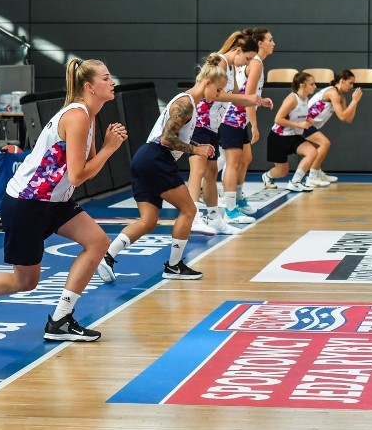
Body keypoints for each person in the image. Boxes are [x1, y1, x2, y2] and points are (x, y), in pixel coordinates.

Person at [0, 58, 127, 341]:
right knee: (24, 282)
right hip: (28, 202)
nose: (112, 82)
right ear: (90, 86)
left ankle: (61, 320)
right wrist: (110, 148)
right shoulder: (77, 116)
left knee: (97, 241)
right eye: (106, 78)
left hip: (55, 201)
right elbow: (78, 175)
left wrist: (105, 147)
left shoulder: (90, 114)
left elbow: (87, 166)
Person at [98, 54, 222, 284]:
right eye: (218, 90)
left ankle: (106, 256)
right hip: (156, 158)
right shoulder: (186, 104)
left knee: (148, 220)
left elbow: (171, 136)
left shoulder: (186, 103)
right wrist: (195, 151)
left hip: (145, 158)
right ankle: (174, 266)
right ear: (207, 83)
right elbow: (166, 139)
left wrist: (197, 145)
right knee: (189, 210)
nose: (217, 97)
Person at [188, 31, 267, 236]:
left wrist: (256, 100)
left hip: (214, 124)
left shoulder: (231, 66)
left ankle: (214, 219)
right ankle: (193, 216)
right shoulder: (221, 62)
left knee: (212, 172)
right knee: (198, 171)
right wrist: (247, 98)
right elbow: (211, 94)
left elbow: (235, 96)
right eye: (247, 58)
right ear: (238, 51)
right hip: (200, 121)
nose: (245, 64)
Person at [219, 27, 275, 224]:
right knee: (231, 163)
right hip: (232, 117)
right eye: (270, 39)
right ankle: (230, 208)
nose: (273, 43)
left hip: (238, 116)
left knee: (245, 158)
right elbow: (247, 94)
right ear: (259, 43)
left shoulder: (251, 62)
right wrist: (254, 124)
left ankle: (238, 199)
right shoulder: (256, 64)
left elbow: (249, 95)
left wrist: (261, 101)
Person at [301, 69, 363, 184]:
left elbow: (348, 119)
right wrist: (354, 101)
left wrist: (355, 102)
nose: (352, 86)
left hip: (310, 125)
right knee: (325, 143)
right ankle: (312, 177)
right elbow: (342, 116)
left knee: (317, 148)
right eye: (350, 83)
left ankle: (317, 172)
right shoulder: (332, 93)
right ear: (342, 81)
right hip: (303, 123)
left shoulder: (341, 97)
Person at [261, 71, 319, 192]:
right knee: (282, 172)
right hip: (278, 138)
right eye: (312, 84)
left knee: (312, 152)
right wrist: (299, 124)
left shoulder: (305, 98)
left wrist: (308, 119)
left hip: (294, 136)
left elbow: (297, 114)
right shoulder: (292, 99)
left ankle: (295, 182)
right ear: (302, 85)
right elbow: (278, 119)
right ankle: (267, 176)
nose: (315, 86)